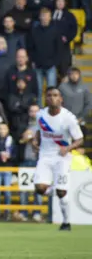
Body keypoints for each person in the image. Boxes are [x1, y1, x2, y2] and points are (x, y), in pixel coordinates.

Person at [33, 87, 84, 231]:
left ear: (61, 99)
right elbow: (39, 130)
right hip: (45, 155)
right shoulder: (40, 115)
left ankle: (66, 223)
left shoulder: (68, 118)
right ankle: (59, 188)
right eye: (49, 95)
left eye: (55, 95)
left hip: (62, 157)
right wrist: (35, 141)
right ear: (45, 98)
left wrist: (68, 148)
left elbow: (79, 139)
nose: (52, 98)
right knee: (39, 188)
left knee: (61, 193)